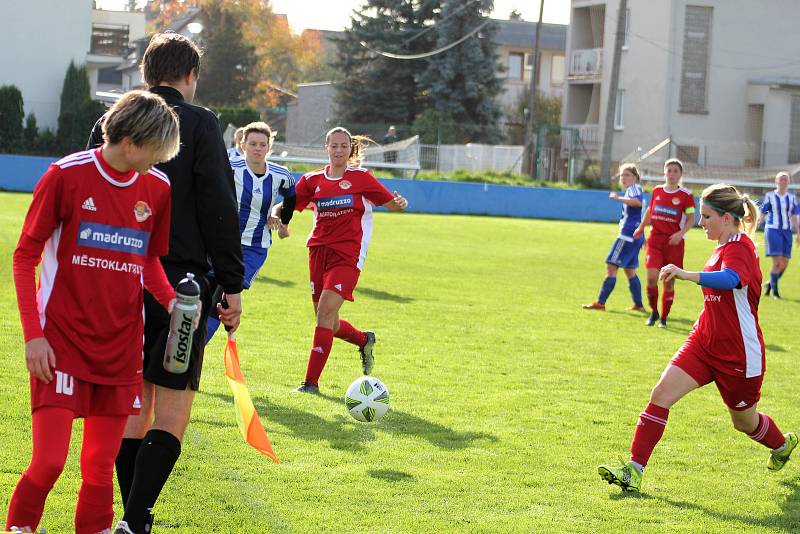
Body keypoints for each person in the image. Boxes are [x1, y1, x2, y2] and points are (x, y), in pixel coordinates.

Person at [88, 32, 244, 534]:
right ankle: (135, 519)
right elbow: (219, 206)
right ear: (190, 76)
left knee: (135, 400)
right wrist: (232, 282)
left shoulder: (112, 124)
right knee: (173, 404)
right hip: (181, 287)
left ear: (145, 73)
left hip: (119, 280)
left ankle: (133, 520)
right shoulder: (199, 123)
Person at [6, 90, 179, 533]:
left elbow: (148, 261)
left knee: (100, 465)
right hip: (60, 343)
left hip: (121, 350)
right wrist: (33, 336)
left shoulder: (158, 189)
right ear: (132, 141)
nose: (159, 161)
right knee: (48, 462)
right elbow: (24, 257)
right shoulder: (65, 176)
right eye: (157, 151)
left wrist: (173, 302)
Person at [598, 184, 798, 493]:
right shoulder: (723, 243)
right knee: (660, 395)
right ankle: (633, 471)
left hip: (738, 354)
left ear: (727, 218)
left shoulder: (740, 246)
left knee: (744, 422)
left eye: (706, 216)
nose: (701, 222)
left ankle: (782, 445)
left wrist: (687, 274)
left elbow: (732, 280)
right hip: (704, 343)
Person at [272, 127, 409, 394]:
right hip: (318, 252)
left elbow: (389, 202)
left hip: (347, 255)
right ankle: (363, 340)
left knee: (324, 313)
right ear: (326, 148)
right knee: (329, 322)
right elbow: (288, 204)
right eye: (333, 146)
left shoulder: (361, 178)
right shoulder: (312, 180)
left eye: (343, 146)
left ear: (350, 150)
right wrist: (278, 215)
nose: (338, 150)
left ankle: (310, 384)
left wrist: (399, 202)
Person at [206, 121, 296, 342]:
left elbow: (292, 197)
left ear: (269, 147)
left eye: (262, 144)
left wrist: (282, 219)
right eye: (253, 143)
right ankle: (190, 349)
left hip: (254, 248)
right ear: (242, 144)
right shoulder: (230, 167)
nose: (257, 148)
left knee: (224, 297)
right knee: (205, 295)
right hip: (221, 244)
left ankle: (197, 348)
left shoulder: (280, 174)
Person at [633, 159, 696, 328]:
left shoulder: (686, 196)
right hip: (655, 240)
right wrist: (640, 228)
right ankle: (654, 313)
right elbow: (649, 210)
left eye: (675, 171)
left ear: (680, 174)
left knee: (668, 282)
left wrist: (680, 234)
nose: (672, 174)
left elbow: (691, 218)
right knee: (652, 278)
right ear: (664, 173)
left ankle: (664, 318)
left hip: (674, 244)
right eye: (669, 170)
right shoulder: (657, 191)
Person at [582, 163, 645, 311]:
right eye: (622, 175)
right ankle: (639, 304)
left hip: (627, 236)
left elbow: (637, 203)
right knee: (630, 271)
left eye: (627, 174)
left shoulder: (634, 188)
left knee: (611, 266)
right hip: (634, 235)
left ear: (635, 177)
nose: (623, 178)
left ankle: (601, 302)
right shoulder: (634, 189)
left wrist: (618, 198)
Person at [758, 171, 800, 299]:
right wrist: (756, 224)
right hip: (772, 229)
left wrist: (798, 232)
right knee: (777, 262)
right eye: (781, 179)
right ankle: (775, 293)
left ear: (788, 182)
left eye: (785, 179)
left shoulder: (792, 198)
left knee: (785, 263)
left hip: (786, 231)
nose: (783, 181)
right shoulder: (770, 196)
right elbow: (763, 212)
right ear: (776, 182)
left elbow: (794, 215)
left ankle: (770, 284)